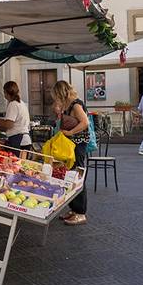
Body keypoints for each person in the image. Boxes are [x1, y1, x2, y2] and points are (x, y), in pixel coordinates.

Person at [51, 80, 89, 226]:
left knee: (77, 177)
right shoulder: (67, 105)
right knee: (69, 176)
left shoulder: (76, 104)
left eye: (56, 95)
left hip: (78, 145)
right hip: (70, 145)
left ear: (60, 92)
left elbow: (85, 122)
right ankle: (73, 209)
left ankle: (81, 213)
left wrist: (70, 132)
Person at [0, 81, 31, 154]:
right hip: (25, 140)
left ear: (6, 93)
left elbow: (9, 124)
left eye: (4, 92)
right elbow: (8, 127)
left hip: (19, 141)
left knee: (16, 163)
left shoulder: (13, 104)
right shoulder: (20, 103)